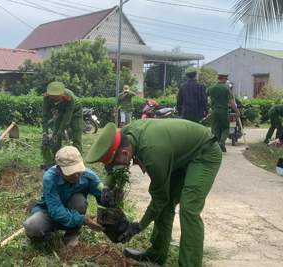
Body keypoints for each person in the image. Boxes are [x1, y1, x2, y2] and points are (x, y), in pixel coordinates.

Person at [85, 120, 222, 267]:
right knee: (167, 206)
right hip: (179, 155)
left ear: (125, 153)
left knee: (189, 210)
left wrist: (138, 227)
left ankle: (190, 264)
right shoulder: (124, 136)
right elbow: (114, 165)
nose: (114, 168)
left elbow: (159, 198)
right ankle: (156, 254)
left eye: (114, 165)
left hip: (204, 153)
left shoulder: (153, 154)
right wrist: (107, 186)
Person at [23, 146, 104, 248]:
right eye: (71, 172)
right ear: (59, 170)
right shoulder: (50, 178)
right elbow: (55, 209)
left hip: (72, 210)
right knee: (32, 226)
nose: (76, 175)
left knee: (79, 200)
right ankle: (41, 238)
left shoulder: (89, 176)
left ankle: (72, 233)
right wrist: (83, 220)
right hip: (49, 213)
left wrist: (106, 216)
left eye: (78, 171)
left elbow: (103, 196)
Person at [42, 81, 83, 169]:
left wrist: (60, 132)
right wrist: (44, 132)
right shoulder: (46, 97)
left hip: (76, 112)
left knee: (77, 137)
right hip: (61, 112)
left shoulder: (69, 97)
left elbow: (67, 118)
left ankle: (78, 161)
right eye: (52, 97)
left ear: (61, 94)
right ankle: (55, 160)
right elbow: (45, 116)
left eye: (57, 97)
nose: (54, 99)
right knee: (55, 137)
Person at [207, 74, 240, 152]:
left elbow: (207, 97)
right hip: (223, 111)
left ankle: (216, 147)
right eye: (226, 79)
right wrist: (237, 111)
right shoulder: (226, 88)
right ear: (224, 79)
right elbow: (231, 101)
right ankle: (221, 142)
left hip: (214, 111)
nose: (226, 81)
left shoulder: (211, 88)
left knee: (215, 129)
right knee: (225, 128)